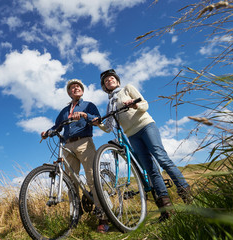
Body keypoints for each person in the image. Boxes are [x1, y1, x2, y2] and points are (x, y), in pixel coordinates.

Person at [96, 69, 192, 221]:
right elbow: (109, 127)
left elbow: (144, 104)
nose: (109, 81)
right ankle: (167, 211)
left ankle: (187, 196)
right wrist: (99, 124)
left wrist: (134, 105)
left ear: (117, 80)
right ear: (104, 87)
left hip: (146, 126)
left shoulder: (127, 88)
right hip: (132, 135)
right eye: (106, 81)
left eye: (112, 78)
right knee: (150, 168)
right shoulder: (110, 104)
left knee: (161, 158)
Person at [41, 79, 109, 233]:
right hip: (67, 145)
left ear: (82, 90)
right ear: (69, 93)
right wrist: (47, 132)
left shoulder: (89, 105)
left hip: (84, 142)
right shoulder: (64, 111)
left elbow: (97, 120)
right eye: (72, 88)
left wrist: (85, 115)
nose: (75, 88)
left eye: (78, 86)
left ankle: (103, 217)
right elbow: (56, 126)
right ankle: (75, 215)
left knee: (93, 178)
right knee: (71, 182)